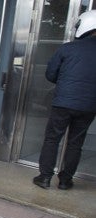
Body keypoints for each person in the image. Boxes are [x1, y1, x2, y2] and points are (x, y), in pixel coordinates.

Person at [33, 10, 96, 190]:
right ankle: (65, 181)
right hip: (89, 106)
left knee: (52, 139)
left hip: (63, 102)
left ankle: (44, 177)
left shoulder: (67, 48)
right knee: (76, 142)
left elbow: (51, 74)